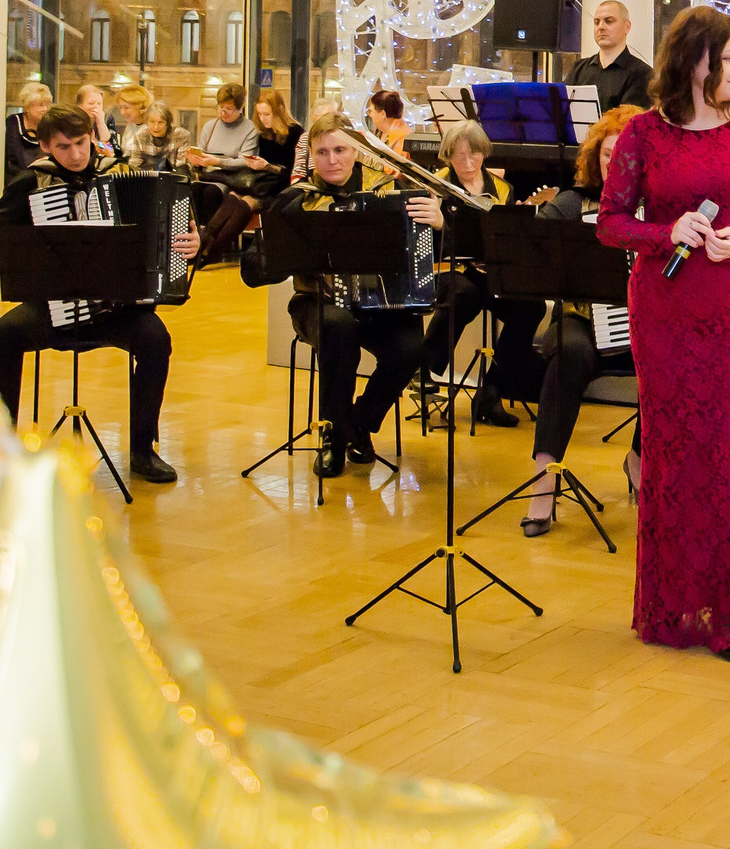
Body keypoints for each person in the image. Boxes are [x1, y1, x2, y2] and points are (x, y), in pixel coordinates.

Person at [597, 6, 730, 659]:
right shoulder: (644, 134)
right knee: (674, 453)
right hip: (667, 312)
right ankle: (674, 608)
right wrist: (667, 233)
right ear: (695, 62)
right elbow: (611, 222)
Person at [0, 105, 185, 484]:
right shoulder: (31, 183)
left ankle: (142, 450)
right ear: (45, 146)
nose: (76, 155)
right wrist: (30, 253)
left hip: (116, 308)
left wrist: (188, 243)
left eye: (82, 143)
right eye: (63, 147)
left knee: (155, 339)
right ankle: (0, 448)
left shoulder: (117, 174)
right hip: (53, 306)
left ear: (92, 137)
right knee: (2, 336)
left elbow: (166, 234)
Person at [245, 114, 429, 479]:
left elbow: (428, 247)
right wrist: (277, 253)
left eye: (340, 150)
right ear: (311, 155)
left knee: (411, 347)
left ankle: (359, 423)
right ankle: (334, 434)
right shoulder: (297, 199)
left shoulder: (386, 190)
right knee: (338, 327)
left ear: (356, 150)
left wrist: (437, 222)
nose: (332, 160)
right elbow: (253, 270)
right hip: (316, 303)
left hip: (378, 306)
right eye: (322, 152)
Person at [519, 105, 647, 535]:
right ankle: (544, 478)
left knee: (673, 357)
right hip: (580, 318)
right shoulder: (574, 204)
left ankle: (638, 458)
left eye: (626, 155)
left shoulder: (660, 208)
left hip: (643, 324)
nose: (616, 163)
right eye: (609, 155)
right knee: (569, 351)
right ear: (597, 157)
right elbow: (531, 247)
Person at [411, 120, 525, 424]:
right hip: (446, 268)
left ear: (484, 153)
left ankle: (492, 391)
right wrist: (440, 226)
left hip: (491, 271)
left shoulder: (502, 189)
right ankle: (424, 367)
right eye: (459, 156)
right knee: (465, 293)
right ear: (448, 156)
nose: (468, 163)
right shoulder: (434, 186)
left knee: (531, 308)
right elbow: (421, 244)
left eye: (474, 154)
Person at [191, 89, 302, 262]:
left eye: (267, 114)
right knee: (231, 200)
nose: (263, 118)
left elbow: (294, 172)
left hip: (278, 189)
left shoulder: (295, 133)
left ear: (278, 111)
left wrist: (267, 166)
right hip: (259, 184)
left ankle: (211, 253)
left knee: (243, 205)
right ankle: (202, 245)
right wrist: (256, 164)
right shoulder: (264, 133)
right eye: (260, 114)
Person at [568, 0, 654, 115]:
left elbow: (626, 121)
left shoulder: (642, 73)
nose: (601, 27)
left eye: (609, 21)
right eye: (596, 22)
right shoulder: (578, 68)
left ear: (627, 27)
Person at [184, 82, 260, 177]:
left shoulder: (250, 129)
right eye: (220, 107)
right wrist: (195, 161)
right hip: (207, 177)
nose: (223, 113)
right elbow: (201, 154)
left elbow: (246, 162)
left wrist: (218, 161)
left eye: (229, 109)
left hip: (232, 179)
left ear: (240, 108)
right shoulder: (210, 126)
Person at [120, 91, 191, 175]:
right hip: (146, 179)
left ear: (168, 123)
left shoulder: (181, 135)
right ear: (147, 122)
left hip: (173, 178)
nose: (156, 127)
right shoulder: (140, 135)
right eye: (152, 122)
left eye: (160, 122)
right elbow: (134, 165)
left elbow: (182, 168)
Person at [6, 81, 53, 174]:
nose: (45, 109)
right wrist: (29, 171)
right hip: (17, 175)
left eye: (47, 104)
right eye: (41, 105)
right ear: (27, 107)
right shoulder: (14, 121)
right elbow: (14, 154)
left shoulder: (49, 124)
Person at [73, 82, 118, 159]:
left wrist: (101, 123)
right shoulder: (72, 120)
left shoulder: (107, 118)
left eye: (99, 103)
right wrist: (99, 144)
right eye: (91, 103)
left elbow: (111, 149)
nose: (96, 107)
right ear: (79, 105)